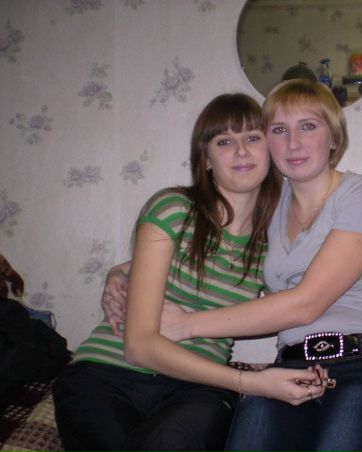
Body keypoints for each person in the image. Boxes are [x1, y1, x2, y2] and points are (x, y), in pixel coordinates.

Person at [108, 79, 362, 452]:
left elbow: (306, 303)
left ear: (333, 137)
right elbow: (203, 253)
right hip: (290, 370)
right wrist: (119, 273)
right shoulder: (267, 211)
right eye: (279, 130)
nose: (293, 142)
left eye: (308, 126)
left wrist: (187, 324)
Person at [52, 93, 330, 452]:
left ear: (270, 150)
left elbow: (306, 302)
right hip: (107, 373)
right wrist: (251, 382)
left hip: (197, 390)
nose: (241, 151)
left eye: (253, 137)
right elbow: (139, 347)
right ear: (206, 158)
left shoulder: (274, 240)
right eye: (224, 141)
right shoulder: (174, 209)